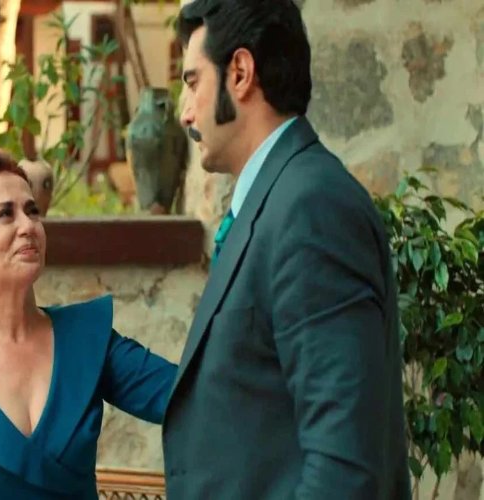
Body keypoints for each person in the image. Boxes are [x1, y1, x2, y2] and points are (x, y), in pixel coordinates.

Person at [162, 1, 411, 499]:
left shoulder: (311, 207)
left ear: (240, 73)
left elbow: (342, 468)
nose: (185, 113)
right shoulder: (277, 197)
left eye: (193, 82)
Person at [0, 149, 176, 499]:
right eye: (5, 214)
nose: (28, 226)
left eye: (32, 211)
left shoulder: (87, 340)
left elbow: (192, 398)